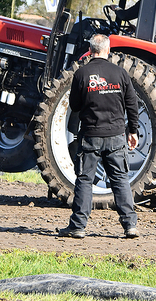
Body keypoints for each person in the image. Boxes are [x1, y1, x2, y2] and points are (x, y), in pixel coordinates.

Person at [58, 34, 140, 239]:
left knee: (85, 180)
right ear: (108, 50)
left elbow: (75, 106)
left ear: (90, 50)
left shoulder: (81, 74)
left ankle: (78, 227)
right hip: (116, 137)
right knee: (120, 179)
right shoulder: (121, 74)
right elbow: (132, 105)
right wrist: (133, 131)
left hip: (90, 136)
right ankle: (130, 226)